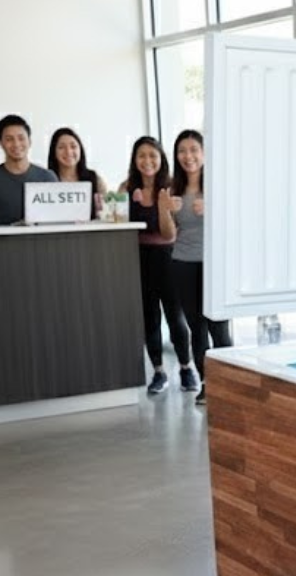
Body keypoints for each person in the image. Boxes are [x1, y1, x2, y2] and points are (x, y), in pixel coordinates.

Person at [157, 130, 232, 405]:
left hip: (215, 266)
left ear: (203, 153)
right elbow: (167, 235)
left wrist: (214, 209)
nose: (188, 156)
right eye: (182, 151)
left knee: (219, 328)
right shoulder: (171, 188)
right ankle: (207, 383)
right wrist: (163, 209)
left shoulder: (218, 187)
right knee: (196, 328)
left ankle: (230, 384)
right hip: (183, 264)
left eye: (193, 150)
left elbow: (234, 225)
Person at [120, 136, 198, 395]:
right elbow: (118, 226)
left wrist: (163, 205)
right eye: (141, 156)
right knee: (149, 318)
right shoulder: (126, 188)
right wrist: (121, 204)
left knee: (175, 316)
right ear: (134, 160)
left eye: (152, 155)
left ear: (162, 159)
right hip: (138, 259)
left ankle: (186, 368)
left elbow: (169, 234)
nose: (147, 161)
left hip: (168, 257)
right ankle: (158, 372)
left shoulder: (171, 188)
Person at [0, 114, 57, 226]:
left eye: (21, 138)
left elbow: (56, 221)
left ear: (30, 141)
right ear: (0, 143)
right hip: (2, 242)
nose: (16, 144)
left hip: (41, 242)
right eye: (9, 139)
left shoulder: (47, 177)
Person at [47, 127, 108, 219]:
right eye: (61, 147)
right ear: (54, 152)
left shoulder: (95, 179)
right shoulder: (46, 179)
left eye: (73, 146)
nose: (68, 152)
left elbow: (105, 214)